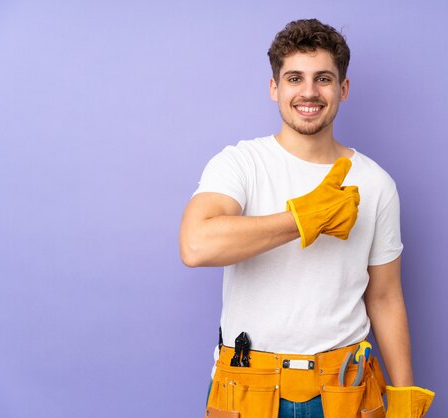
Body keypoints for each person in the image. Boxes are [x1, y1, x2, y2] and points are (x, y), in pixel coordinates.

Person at [179, 18, 434, 418]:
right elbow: (196, 245)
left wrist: (404, 396)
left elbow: (384, 297)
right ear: (274, 87)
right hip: (249, 387)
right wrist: (302, 217)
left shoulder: (375, 182)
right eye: (294, 78)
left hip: (345, 386)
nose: (309, 92)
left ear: (343, 89)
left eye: (324, 79)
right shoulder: (241, 163)